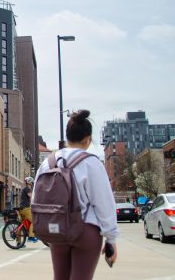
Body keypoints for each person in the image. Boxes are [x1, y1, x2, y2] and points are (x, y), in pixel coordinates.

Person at [34, 110, 118, 280]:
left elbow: (36, 198)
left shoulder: (47, 163)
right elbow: (104, 203)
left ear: (67, 137)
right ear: (87, 139)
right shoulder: (92, 162)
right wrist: (111, 238)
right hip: (85, 230)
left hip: (57, 230)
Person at [18, 177, 37, 242]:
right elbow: (31, 197)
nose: (32, 184)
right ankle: (31, 237)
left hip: (21, 209)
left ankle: (19, 243)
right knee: (33, 221)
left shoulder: (24, 189)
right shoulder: (27, 189)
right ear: (30, 182)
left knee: (20, 226)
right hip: (25, 209)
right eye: (32, 182)